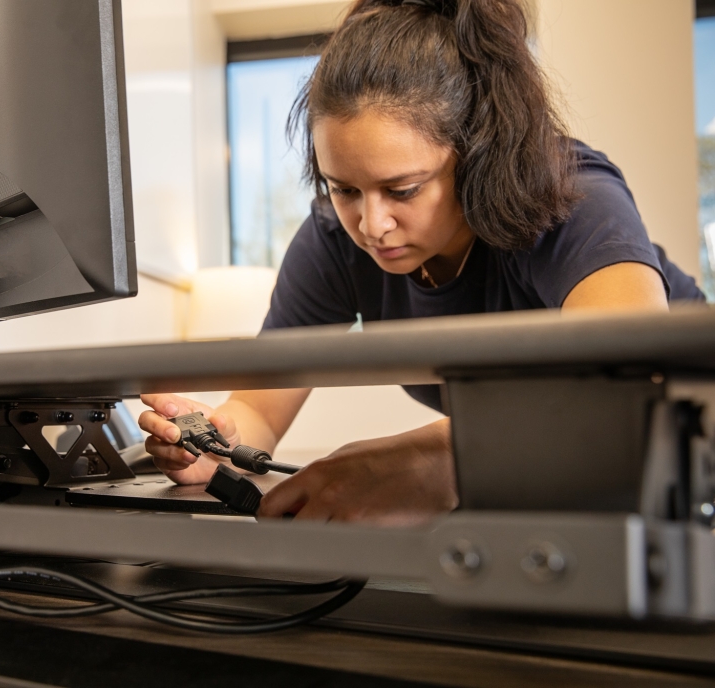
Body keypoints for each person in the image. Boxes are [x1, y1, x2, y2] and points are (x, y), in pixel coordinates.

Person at [138, 0, 706, 525]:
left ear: (478, 155)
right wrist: (217, 442)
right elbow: (258, 411)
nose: (371, 224)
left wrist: (441, 459)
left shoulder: (569, 195)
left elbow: (629, 391)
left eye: (403, 190)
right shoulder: (337, 238)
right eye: (344, 189)